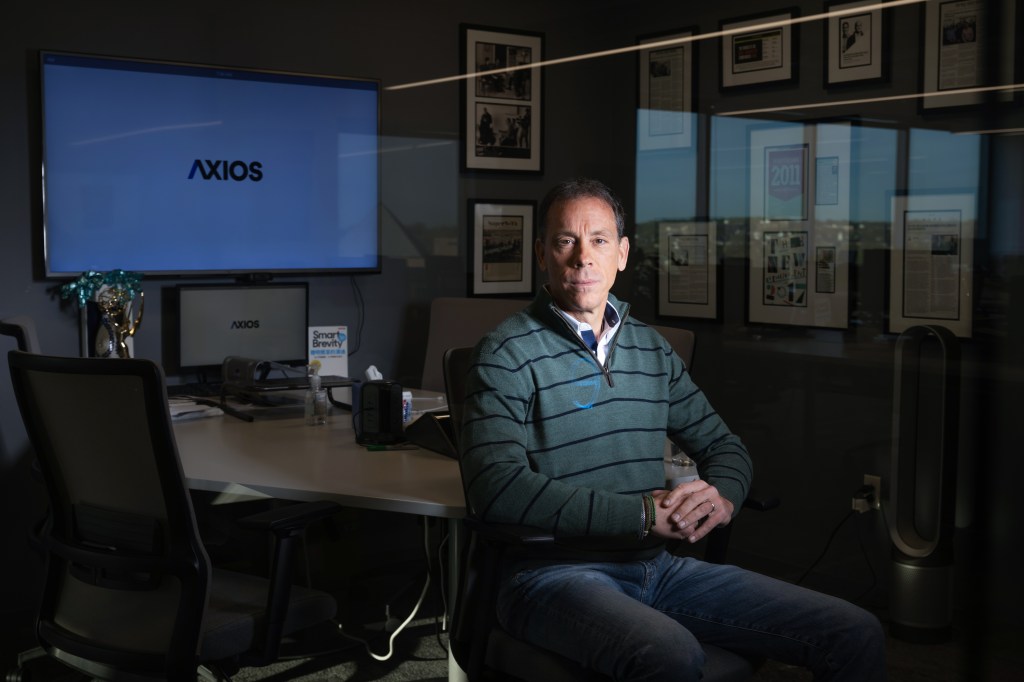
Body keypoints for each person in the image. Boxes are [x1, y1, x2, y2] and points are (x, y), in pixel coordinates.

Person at [459, 178, 886, 681]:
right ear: (541, 254)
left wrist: (722, 496)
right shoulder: (507, 352)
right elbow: (496, 488)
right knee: (670, 654)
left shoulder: (650, 349)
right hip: (550, 577)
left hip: (658, 569)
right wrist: (641, 515)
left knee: (854, 631)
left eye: (598, 240)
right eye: (564, 241)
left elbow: (726, 447)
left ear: (622, 254)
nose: (582, 258)